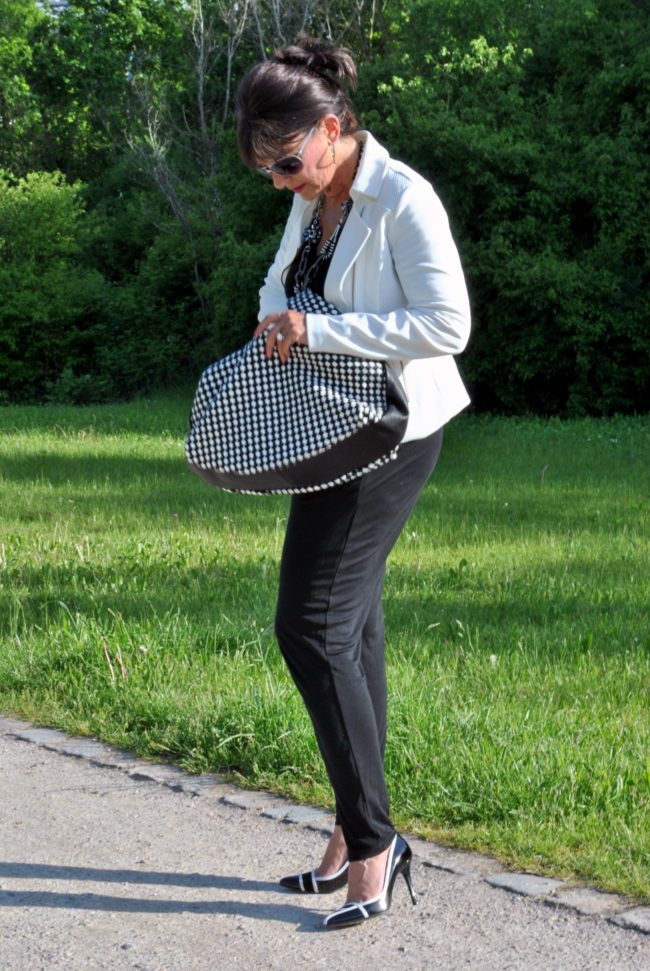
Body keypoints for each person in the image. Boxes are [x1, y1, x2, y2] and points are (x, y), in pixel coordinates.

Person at [235, 35, 471, 929]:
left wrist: (319, 332)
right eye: (267, 170)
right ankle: (354, 825)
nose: (281, 183)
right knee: (352, 624)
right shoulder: (315, 197)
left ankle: (373, 840)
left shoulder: (403, 199)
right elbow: (279, 280)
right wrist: (275, 320)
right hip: (327, 425)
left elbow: (446, 324)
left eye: (289, 162)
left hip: (396, 427)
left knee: (310, 624)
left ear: (331, 130)